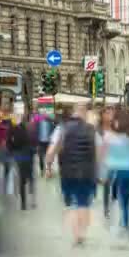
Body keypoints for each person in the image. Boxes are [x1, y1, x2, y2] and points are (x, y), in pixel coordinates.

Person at [46, 104, 99, 246]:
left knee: (70, 205)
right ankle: (82, 233)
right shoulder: (91, 130)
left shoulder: (62, 129)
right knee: (84, 204)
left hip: (67, 173)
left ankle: (75, 234)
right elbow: (98, 151)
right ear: (84, 114)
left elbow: (52, 150)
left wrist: (48, 166)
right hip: (87, 172)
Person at [99, 109, 129, 244]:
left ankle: (125, 223)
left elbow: (104, 156)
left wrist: (103, 173)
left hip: (119, 171)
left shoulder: (110, 138)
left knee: (123, 199)